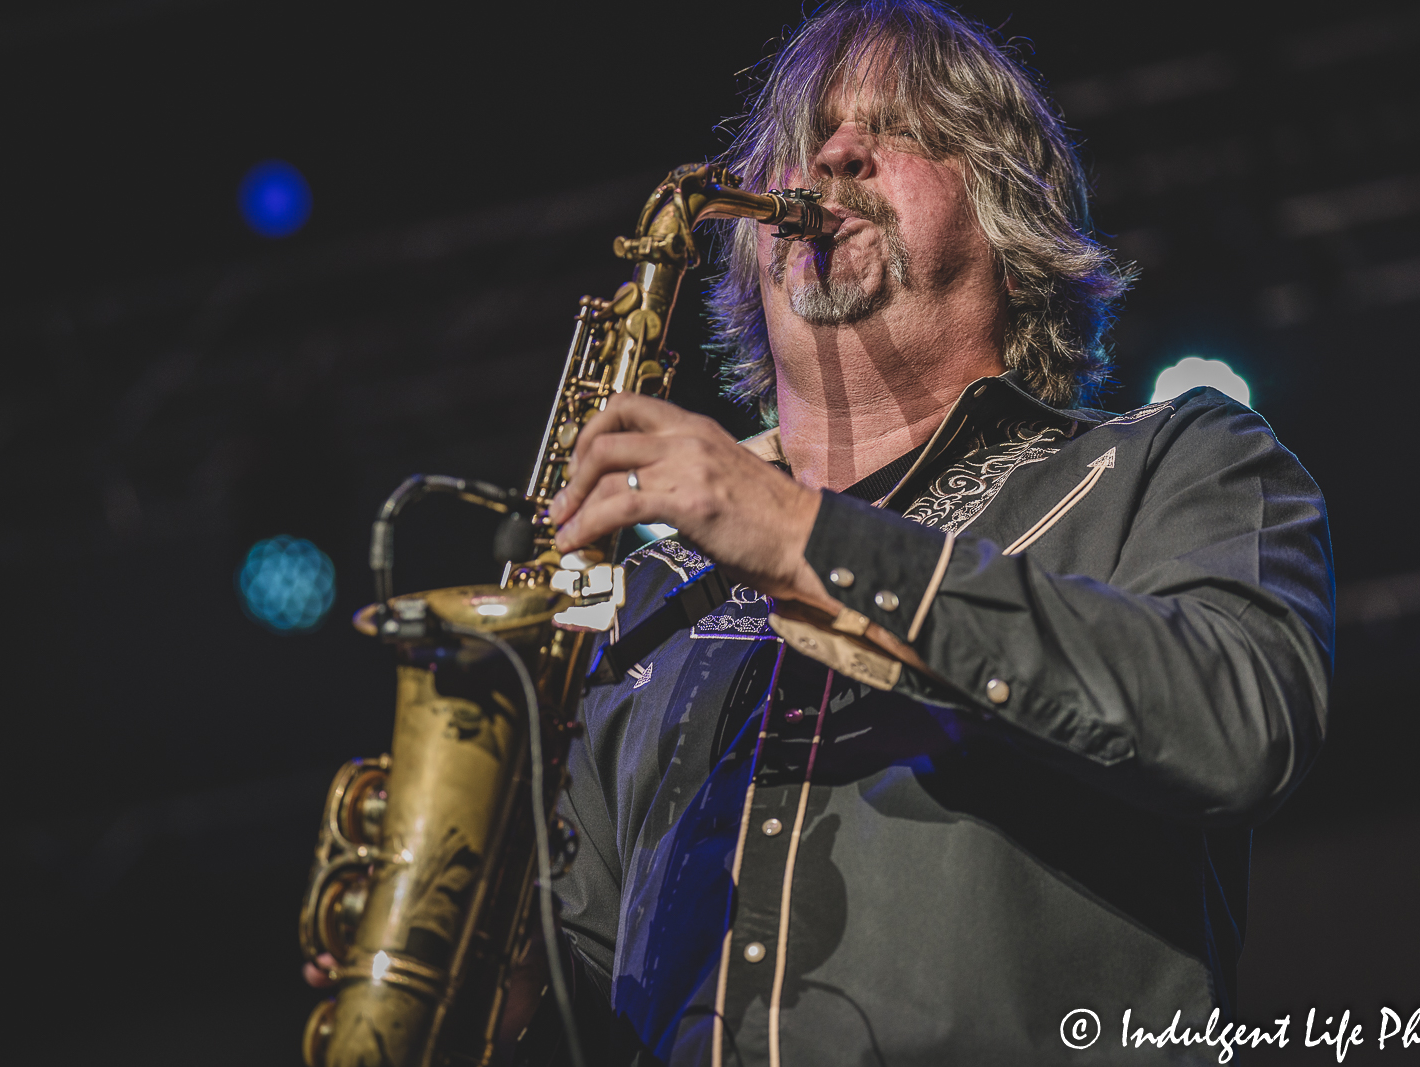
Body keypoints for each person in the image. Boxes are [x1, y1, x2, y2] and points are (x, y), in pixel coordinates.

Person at [304, 1, 1332, 1062]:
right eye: (805, 141)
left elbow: (1240, 721)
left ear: (1013, 231)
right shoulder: (653, 598)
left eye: (899, 131)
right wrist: (485, 968)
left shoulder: (1168, 461)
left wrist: (800, 537)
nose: (832, 156)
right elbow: (592, 987)